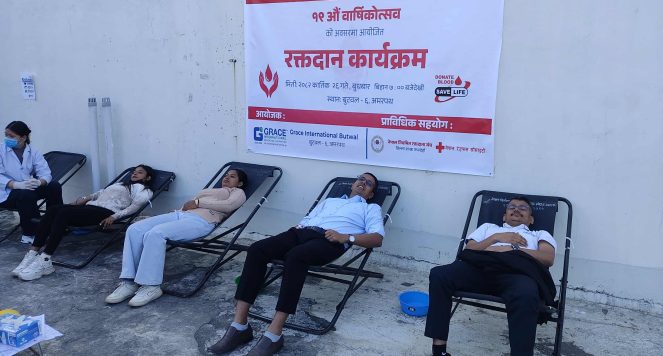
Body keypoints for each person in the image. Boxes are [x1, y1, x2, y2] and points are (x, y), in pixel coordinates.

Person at [209, 172, 384, 356]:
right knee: (256, 249)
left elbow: (377, 238)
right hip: (301, 233)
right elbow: (309, 219)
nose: (363, 183)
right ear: (353, 184)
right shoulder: (330, 201)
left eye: (369, 183)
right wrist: (297, 230)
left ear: (371, 194)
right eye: (360, 179)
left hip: (331, 240)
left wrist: (346, 237)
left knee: (296, 256)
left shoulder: (370, 208)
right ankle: (239, 326)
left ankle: (274, 334)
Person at [424, 197, 558, 356]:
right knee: (439, 275)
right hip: (480, 269)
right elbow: (469, 249)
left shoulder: (539, 234)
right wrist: (496, 238)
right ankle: (439, 351)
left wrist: (513, 250)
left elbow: (547, 258)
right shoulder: (488, 228)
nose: (516, 209)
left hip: (516, 275)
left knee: (527, 294)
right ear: (504, 216)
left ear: (531, 219)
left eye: (523, 208)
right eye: (512, 207)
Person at [105, 168, 248, 307]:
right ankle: (129, 282)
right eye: (226, 175)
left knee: (156, 233)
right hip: (180, 214)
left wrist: (198, 203)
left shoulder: (238, 192)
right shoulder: (214, 190)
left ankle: (151, 286)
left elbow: (229, 205)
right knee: (134, 229)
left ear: (240, 183)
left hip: (201, 221)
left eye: (232, 176)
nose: (226, 177)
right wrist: (186, 208)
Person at [11, 164, 155, 281]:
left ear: (148, 178)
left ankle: (45, 258)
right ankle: (33, 252)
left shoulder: (144, 190)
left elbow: (134, 207)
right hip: (91, 207)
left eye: (140, 172)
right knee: (54, 209)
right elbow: (100, 193)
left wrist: (115, 217)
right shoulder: (121, 184)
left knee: (63, 214)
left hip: (105, 213)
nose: (135, 173)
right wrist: (85, 198)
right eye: (134, 171)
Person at [0, 121, 63, 244]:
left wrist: (39, 182)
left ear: (23, 137)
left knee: (54, 186)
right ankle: (30, 233)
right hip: (6, 192)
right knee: (26, 194)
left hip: (26, 188)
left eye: (11, 136)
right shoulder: (1, 150)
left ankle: (55, 224)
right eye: (6, 135)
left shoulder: (33, 151)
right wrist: (15, 185)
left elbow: (45, 173)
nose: (7, 138)